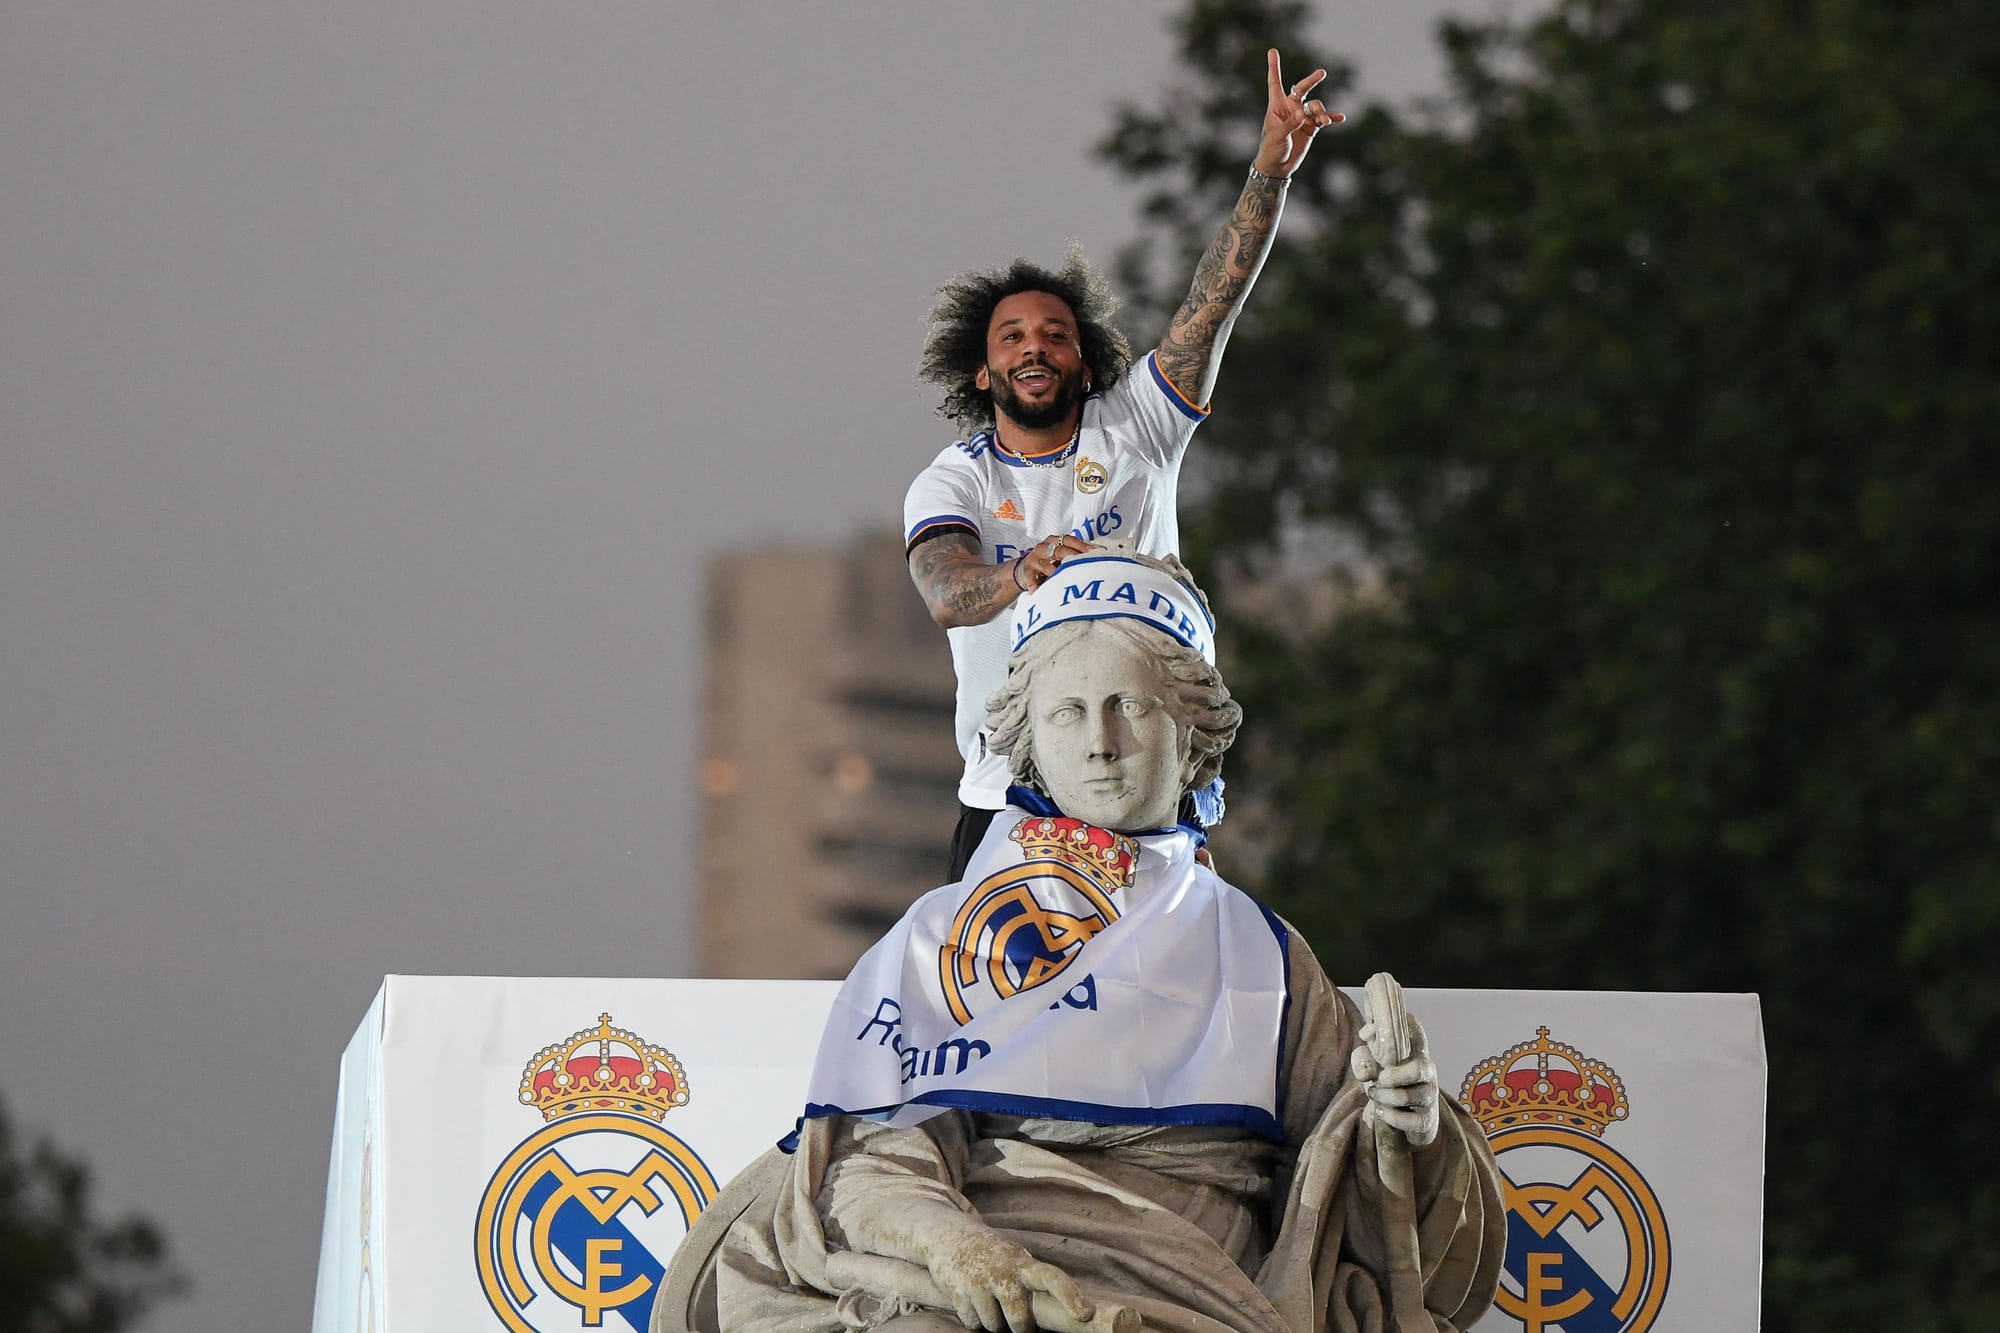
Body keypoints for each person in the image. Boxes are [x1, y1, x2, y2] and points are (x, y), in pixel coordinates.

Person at [652, 551, 1504, 1333]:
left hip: (1194, 1290)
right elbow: (876, 1158)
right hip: (985, 1280)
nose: (1099, 742)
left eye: (1130, 706)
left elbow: (1358, 1186)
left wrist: (1409, 1127)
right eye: (1067, 712)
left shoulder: (1262, 953)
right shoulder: (944, 934)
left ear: (1191, 730)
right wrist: (955, 1247)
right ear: (1032, 738)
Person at [905, 50, 1341, 880]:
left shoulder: (1136, 424)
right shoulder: (953, 480)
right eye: (1013, 338)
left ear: (1086, 359)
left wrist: (1270, 176)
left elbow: (1211, 308)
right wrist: (1020, 573)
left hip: (1152, 790)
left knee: (1167, 1001)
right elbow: (943, 589)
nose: (1036, 346)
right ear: (982, 371)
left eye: (1056, 335)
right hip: (1010, 801)